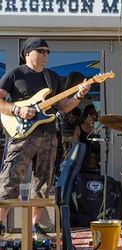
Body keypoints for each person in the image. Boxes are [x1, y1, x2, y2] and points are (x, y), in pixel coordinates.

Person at [0, 37, 91, 235]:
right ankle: (0, 222)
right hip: (22, 134)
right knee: (10, 177)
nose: (46, 54)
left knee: (44, 180)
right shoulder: (15, 74)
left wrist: (79, 95)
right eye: (41, 50)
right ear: (28, 53)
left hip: (48, 134)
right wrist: (16, 109)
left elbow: (64, 107)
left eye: (48, 51)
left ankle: (35, 225)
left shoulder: (52, 77)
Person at [73, 104, 100, 174]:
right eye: (91, 117)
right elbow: (75, 146)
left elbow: (98, 148)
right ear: (86, 117)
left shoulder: (96, 129)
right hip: (81, 161)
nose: (93, 121)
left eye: (94, 118)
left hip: (95, 163)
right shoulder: (78, 129)